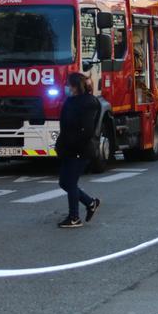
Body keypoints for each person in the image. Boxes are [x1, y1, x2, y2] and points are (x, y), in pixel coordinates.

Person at [55, 73, 101, 228]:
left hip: (80, 149)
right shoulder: (71, 101)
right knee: (64, 182)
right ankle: (90, 202)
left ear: (75, 86)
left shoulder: (88, 103)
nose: (66, 87)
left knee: (70, 182)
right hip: (69, 148)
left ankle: (74, 217)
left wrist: (73, 144)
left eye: (68, 85)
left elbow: (87, 130)